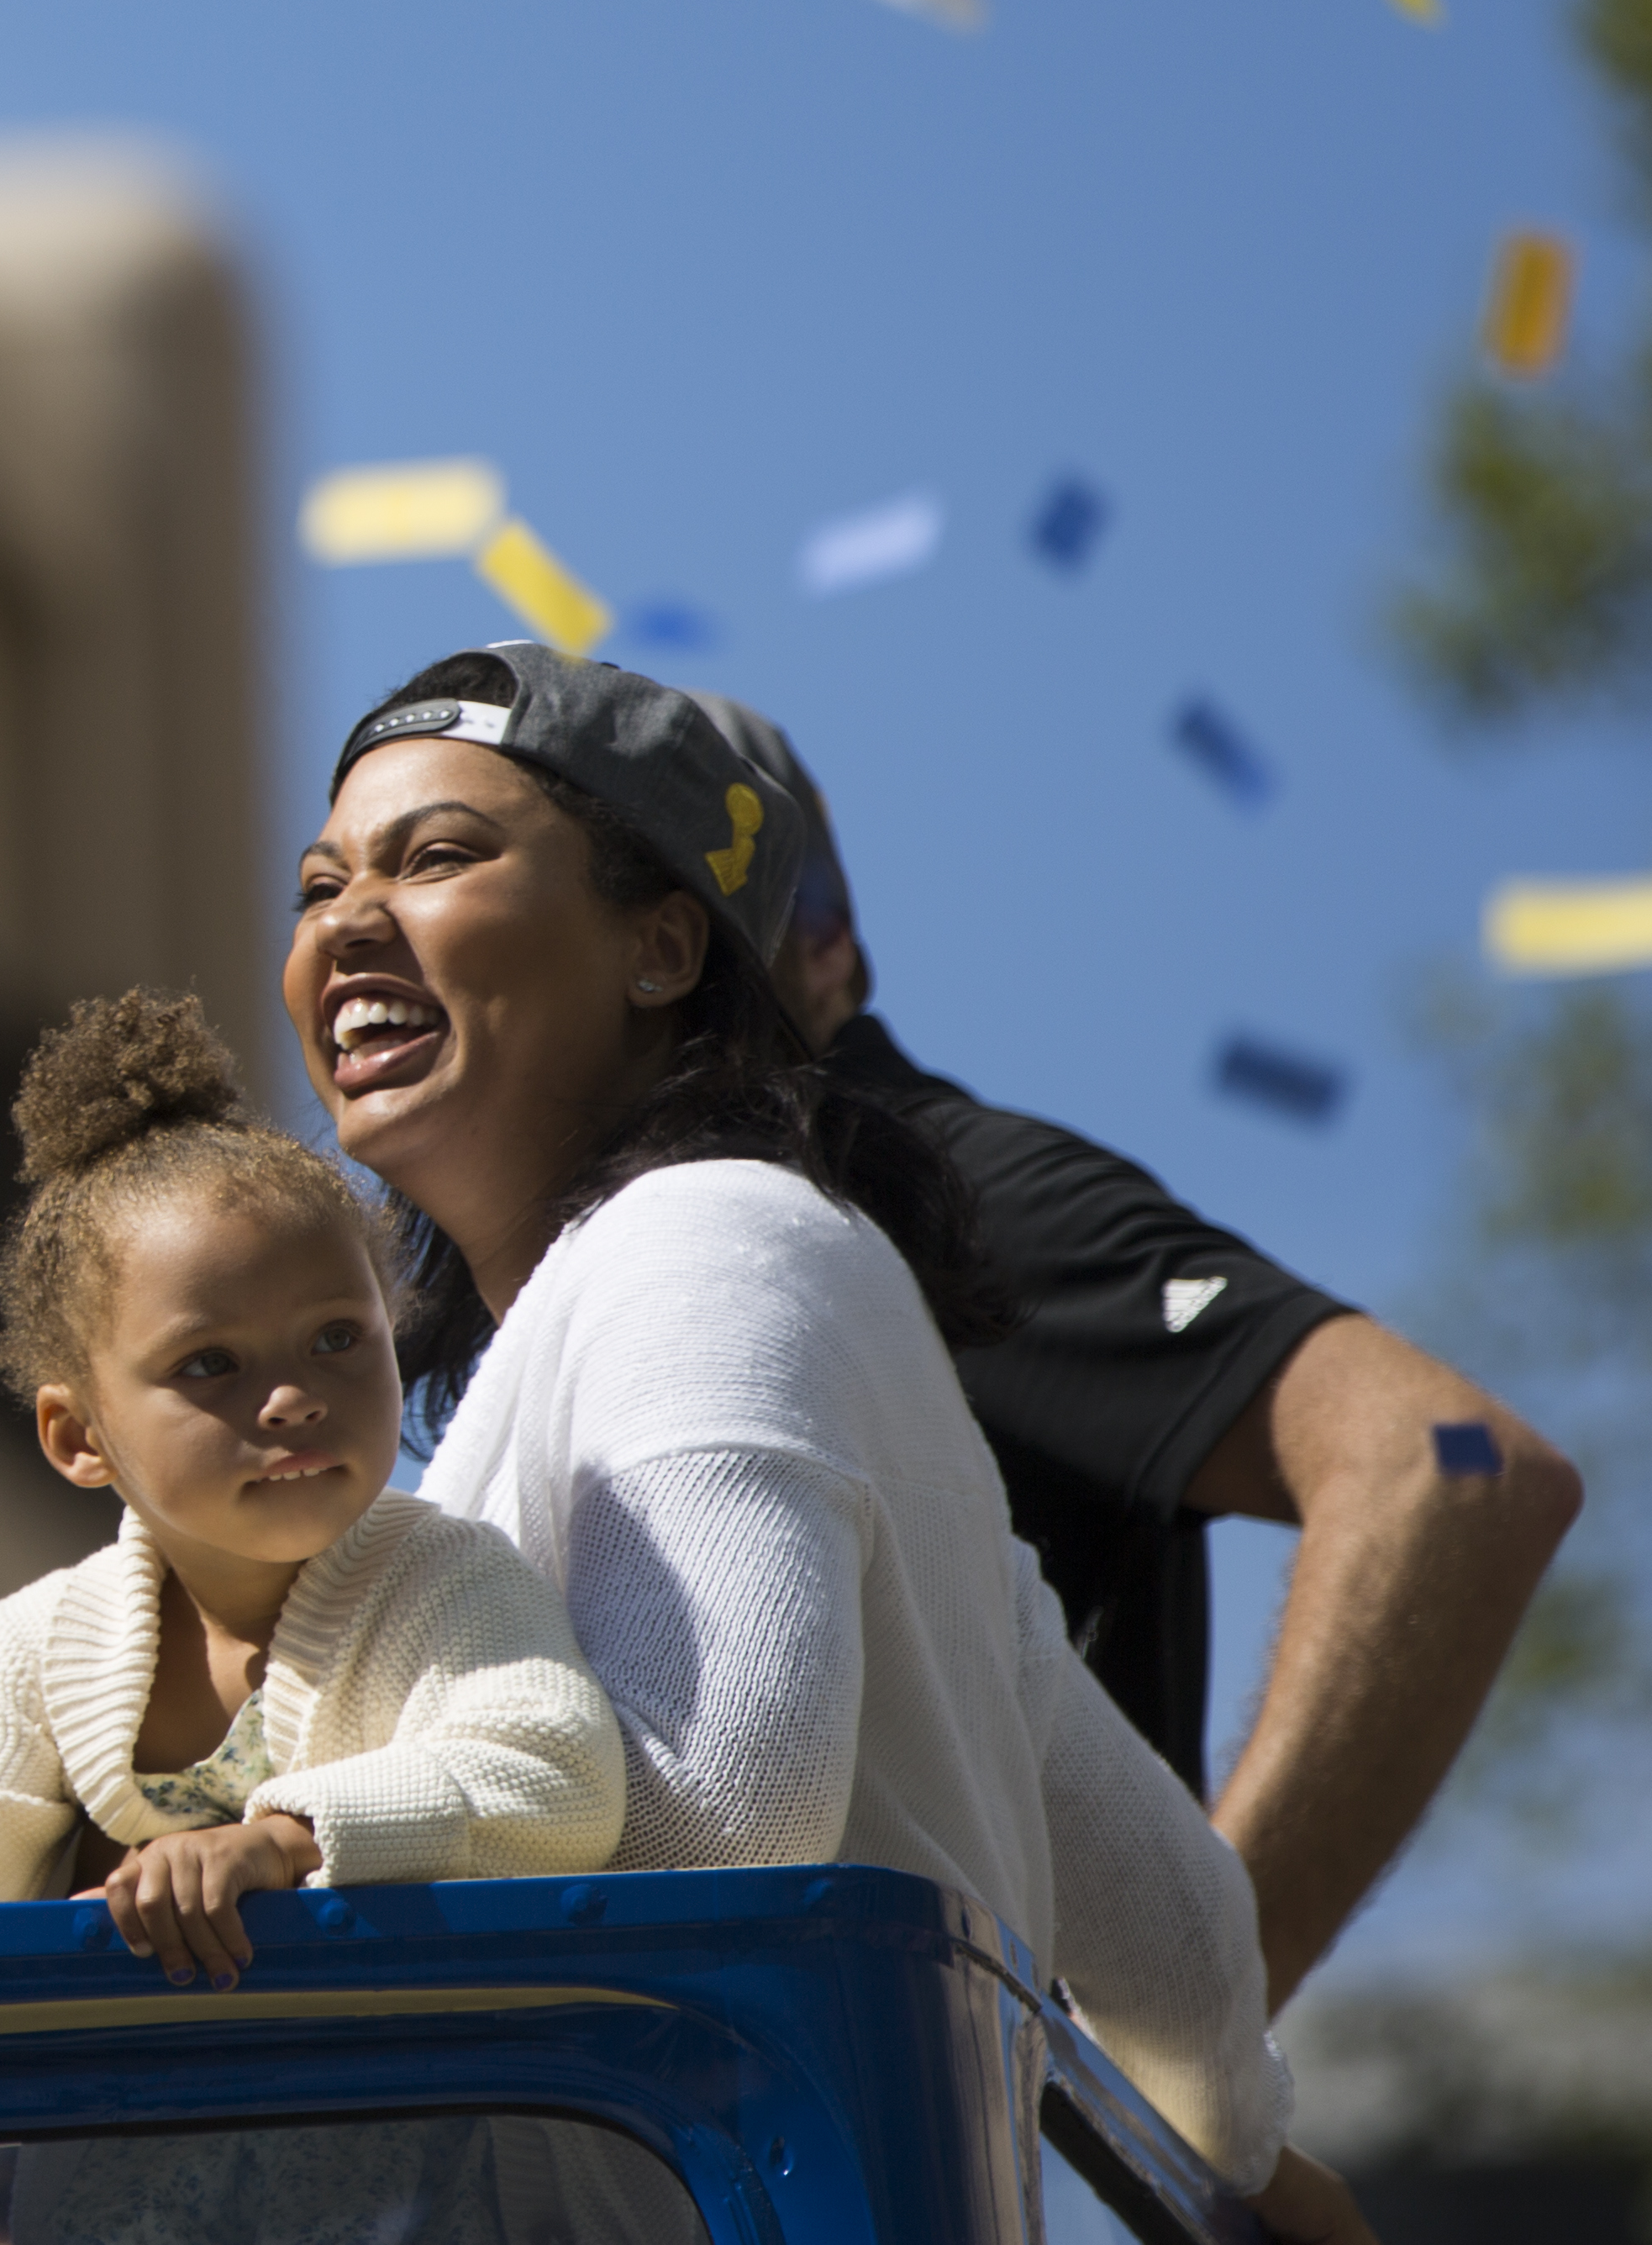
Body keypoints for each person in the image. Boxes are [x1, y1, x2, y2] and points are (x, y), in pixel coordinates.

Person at [286, 643, 1374, 2240]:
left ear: (664, 946)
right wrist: (1257, 2162)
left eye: (438, 856)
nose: (346, 922)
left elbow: (725, 1818)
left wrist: (269, 1863)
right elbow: (1181, 1931)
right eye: (320, 885)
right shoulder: (714, 1289)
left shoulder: (703, 1242)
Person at [686, 689, 1582, 2015]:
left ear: (826, 941)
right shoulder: (677, 1269)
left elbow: (1450, 1468)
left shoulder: (924, 1199)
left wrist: (1195, 2043)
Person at [0, 990, 623, 1995]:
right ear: (79, 1436)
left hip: (402, 2129)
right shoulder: (37, 1641)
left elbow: (563, 1778)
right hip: (117, 2136)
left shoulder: (446, 1579)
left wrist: (279, 1841)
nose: (290, 1398)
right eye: (210, 1363)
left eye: (336, 1339)